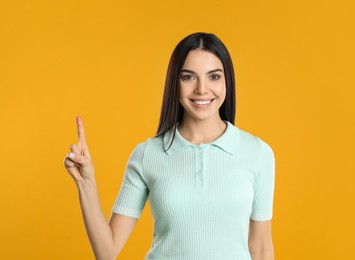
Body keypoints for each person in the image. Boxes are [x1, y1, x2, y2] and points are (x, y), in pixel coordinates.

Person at [64, 32, 275, 260]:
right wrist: (86, 182)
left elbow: (261, 249)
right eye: (188, 77)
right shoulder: (148, 155)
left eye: (214, 77)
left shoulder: (257, 152)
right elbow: (107, 252)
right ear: (175, 82)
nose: (202, 89)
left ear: (227, 82)